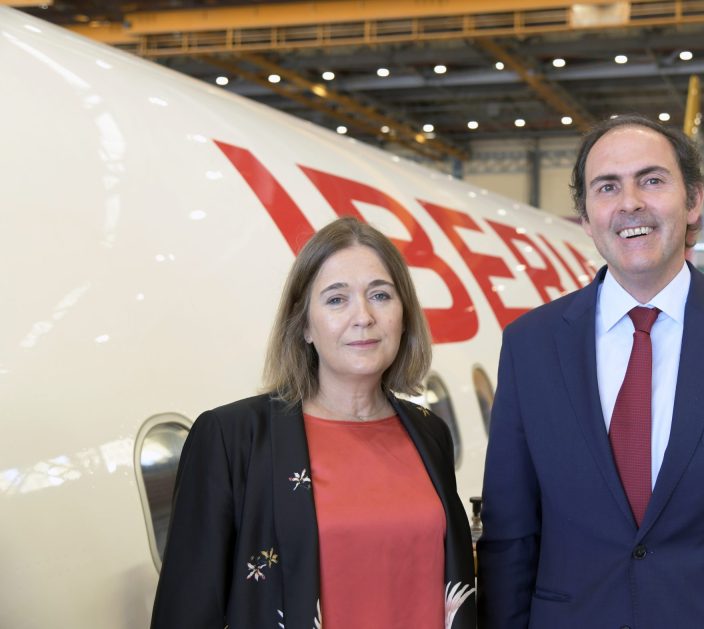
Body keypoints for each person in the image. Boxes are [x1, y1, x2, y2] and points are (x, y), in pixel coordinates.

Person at [477, 114, 704, 628]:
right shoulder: (530, 346)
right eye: (607, 187)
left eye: (651, 180)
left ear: (693, 200)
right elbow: (509, 539)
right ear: (586, 217)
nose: (630, 202)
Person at [151, 217, 476, 629]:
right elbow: (187, 611)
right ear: (304, 324)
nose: (363, 317)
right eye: (336, 300)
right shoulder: (233, 439)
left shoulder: (430, 434)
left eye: (380, 295)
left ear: (404, 314)